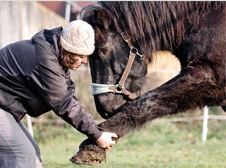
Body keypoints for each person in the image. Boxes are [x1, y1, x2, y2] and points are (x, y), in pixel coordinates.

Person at [0, 20, 118, 168]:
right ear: (68, 50)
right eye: (81, 56)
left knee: (31, 155)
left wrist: (95, 130)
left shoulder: (52, 54)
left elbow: (67, 95)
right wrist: (98, 135)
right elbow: (63, 103)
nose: (85, 61)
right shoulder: (44, 61)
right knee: (24, 157)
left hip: (4, 108)